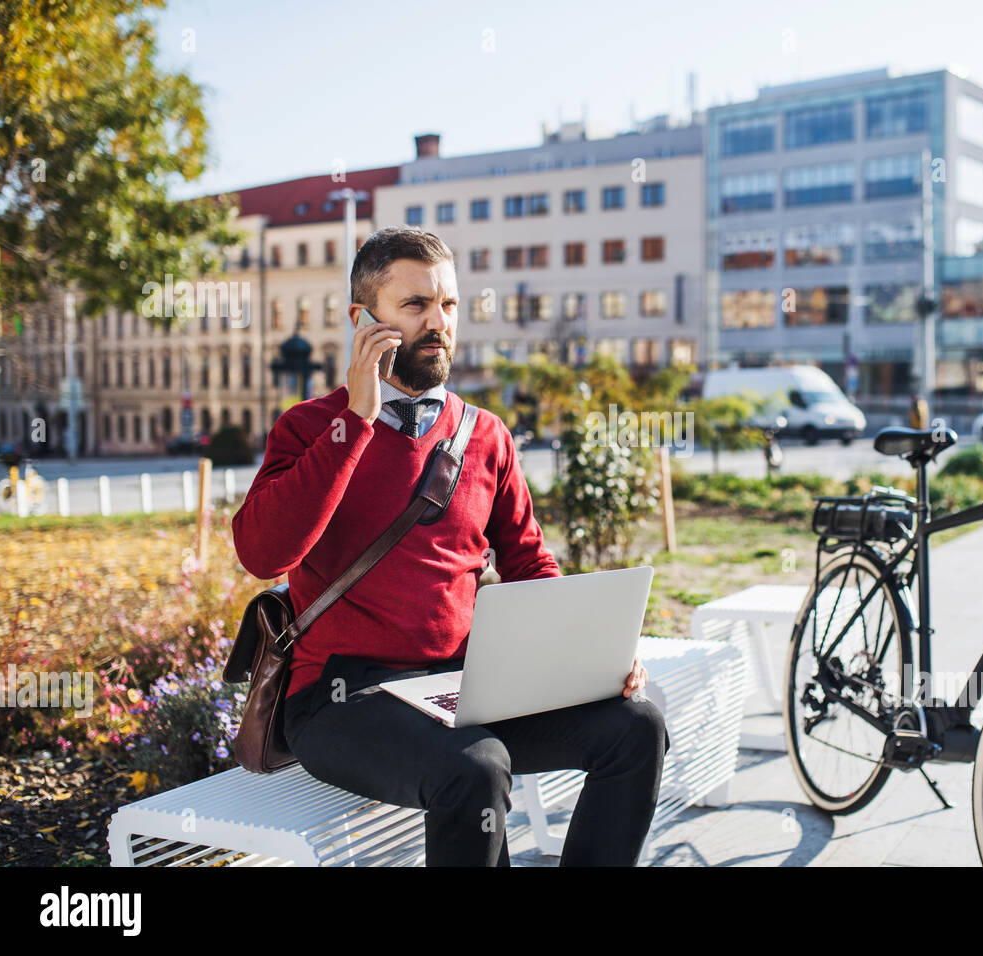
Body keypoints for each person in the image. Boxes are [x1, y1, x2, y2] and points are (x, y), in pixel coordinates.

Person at [231, 228, 668, 866]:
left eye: (450, 305)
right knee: (478, 769)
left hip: (467, 687)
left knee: (638, 726)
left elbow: (529, 564)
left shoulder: (484, 434)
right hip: (342, 697)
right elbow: (264, 555)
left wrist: (594, 662)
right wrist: (353, 419)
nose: (439, 323)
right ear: (364, 320)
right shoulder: (308, 426)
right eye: (415, 306)